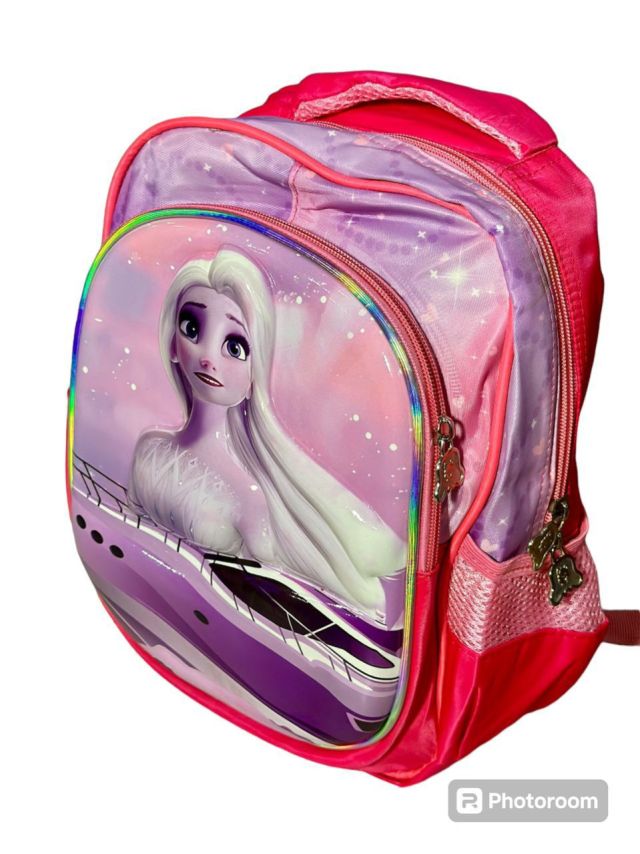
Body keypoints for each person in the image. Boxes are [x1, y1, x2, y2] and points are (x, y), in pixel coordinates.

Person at [128, 248, 406, 615]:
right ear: (172, 344)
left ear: (256, 371)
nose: (207, 357)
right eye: (192, 328)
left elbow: (262, 602)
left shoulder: (251, 499)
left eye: (234, 346)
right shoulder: (150, 449)